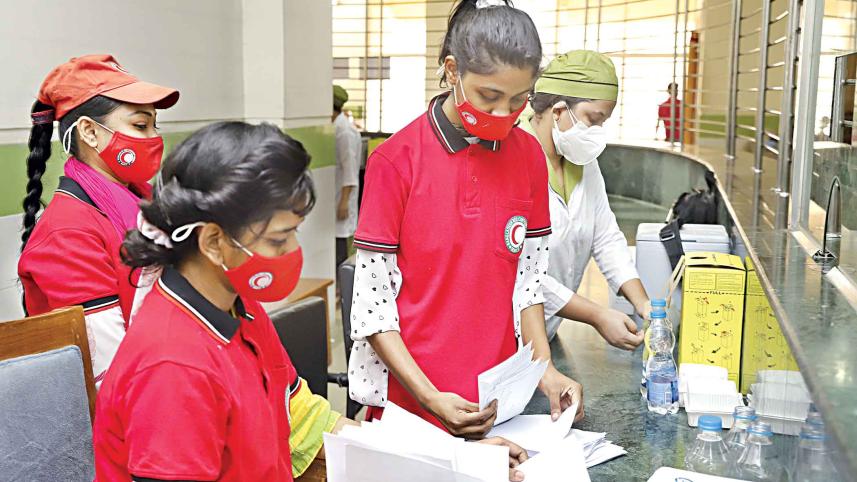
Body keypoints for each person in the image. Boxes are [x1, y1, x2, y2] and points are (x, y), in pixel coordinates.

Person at [93, 121, 528, 482]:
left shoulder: (237, 308)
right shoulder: (173, 366)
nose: (292, 254)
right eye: (278, 239)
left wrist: (451, 459)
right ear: (212, 241)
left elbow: (306, 419)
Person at [348, 0, 584, 442]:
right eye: (488, 97)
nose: (502, 114)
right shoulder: (397, 162)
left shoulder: (530, 156)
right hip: (411, 404)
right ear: (453, 71)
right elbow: (373, 310)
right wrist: (430, 397)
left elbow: (527, 285)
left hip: (499, 402)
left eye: (519, 100)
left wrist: (544, 371)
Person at [17, 54, 179, 385]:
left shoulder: (143, 203)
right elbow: (112, 373)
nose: (152, 138)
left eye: (154, 125)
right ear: (90, 132)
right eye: (139, 125)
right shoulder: (69, 232)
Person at [522, 50, 650, 350]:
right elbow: (522, 273)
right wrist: (597, 316)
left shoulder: (581, 160)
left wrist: (643, 304)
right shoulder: (512, 159)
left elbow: (605, 236)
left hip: (548, 335)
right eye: (593, 120)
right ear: (558, 111)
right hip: (504, 339)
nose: (596, 132)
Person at [333, 84, 361, 272]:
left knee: (341, 247)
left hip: (342, 198)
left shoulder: (344, 131)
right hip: (337, 195)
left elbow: (350, 171)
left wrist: (343, 202)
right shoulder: (337, 127)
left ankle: (341, 292)